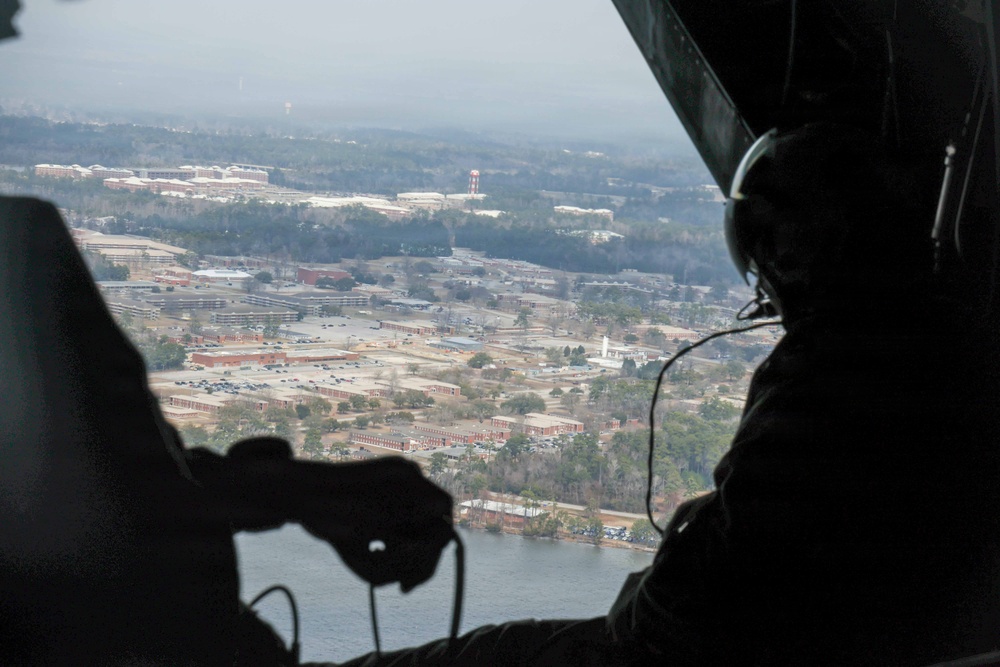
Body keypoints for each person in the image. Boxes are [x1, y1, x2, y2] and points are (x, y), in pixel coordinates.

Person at [335, 123, 1000, 666]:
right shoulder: (951, 343)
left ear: (783, 256)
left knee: (489, 654)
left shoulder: (836, 367)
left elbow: (708, 591)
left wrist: (652, 592)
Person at [0, 196, 453, 666]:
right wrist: (289, 490)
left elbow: (110, 487)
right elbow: (91, 508)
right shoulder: (21, 251)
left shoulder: (22, 248)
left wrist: (289, 490)